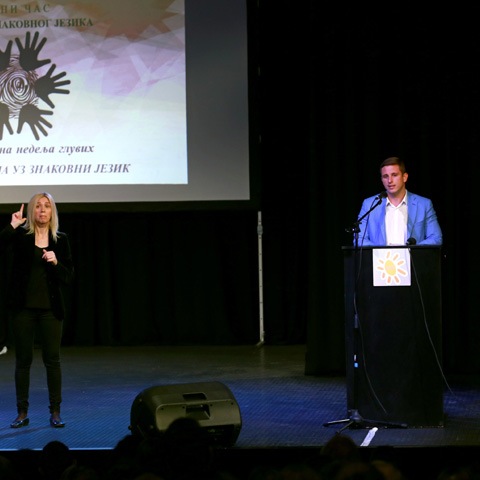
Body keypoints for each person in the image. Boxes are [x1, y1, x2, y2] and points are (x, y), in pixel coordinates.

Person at [0, 192, 74, 429]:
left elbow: (68, 277)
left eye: (47, 206)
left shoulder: (61, 240)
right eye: (38, 206)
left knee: (52, 360)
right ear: (32, 211)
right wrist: (12, 226)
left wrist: (56, 262)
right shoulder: (21, 238)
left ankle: (55, 412)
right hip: (23, 310)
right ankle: (22, 412)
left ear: (53, 212)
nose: (42, 210)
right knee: (23, 361)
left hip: (50, 310)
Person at [355, 157, 442, 246]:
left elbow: (435, 238)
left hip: (412, 255)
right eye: (385, 176)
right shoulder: (370, 204)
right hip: (380, 256)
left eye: (394, 175)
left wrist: (410, 250)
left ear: (404, 177)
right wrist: (381, 252)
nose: (390, 180)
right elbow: (359, 240)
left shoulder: (423, 204)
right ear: (382, 180)